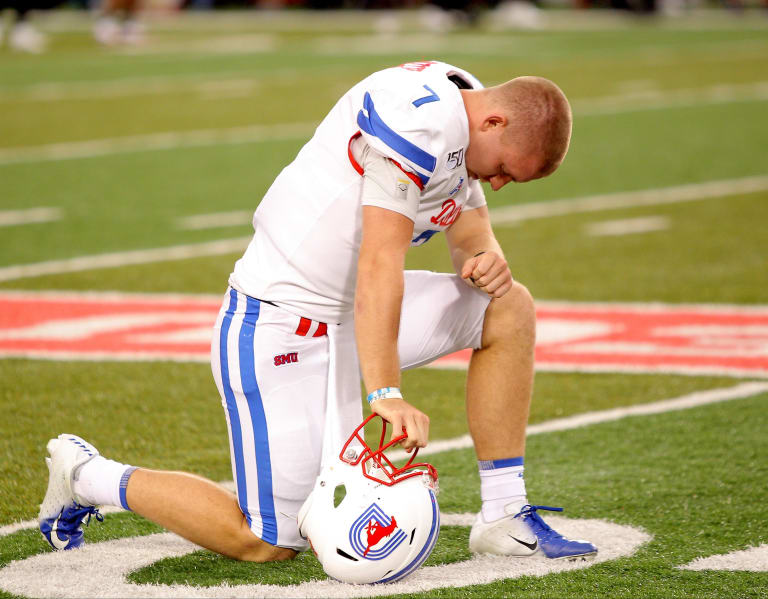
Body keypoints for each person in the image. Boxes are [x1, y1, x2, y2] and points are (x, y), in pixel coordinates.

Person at [39, 60, 597, 564]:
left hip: (352, 318)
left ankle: (504, 513)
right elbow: (380, 264)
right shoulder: (418, 119)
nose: (497, 183)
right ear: (495, 123)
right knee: (266, 542)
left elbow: (470, 230)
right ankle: (88, 476)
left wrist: (486, 261)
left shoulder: (468, 106)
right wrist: (386, 393)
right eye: (503, 169)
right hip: (282, 320)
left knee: (508, 307)